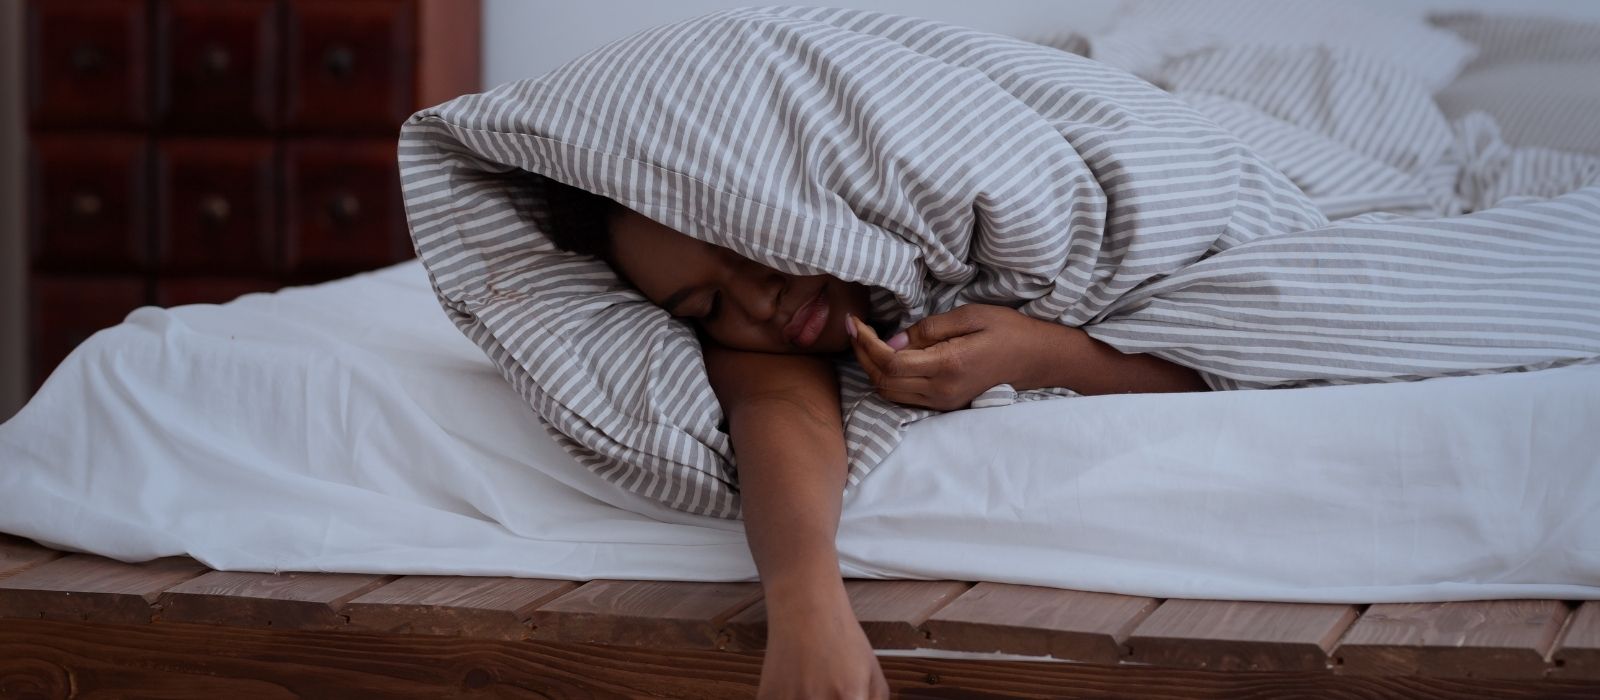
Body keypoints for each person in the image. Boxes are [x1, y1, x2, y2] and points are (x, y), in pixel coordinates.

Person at [533, 175, 1207, 699]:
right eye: (706, 306)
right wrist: (805, 610)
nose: (756, 302)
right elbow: (780, 412)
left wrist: (1041, 354)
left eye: (742, 241)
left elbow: (1244, 360)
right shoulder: (751, 340)